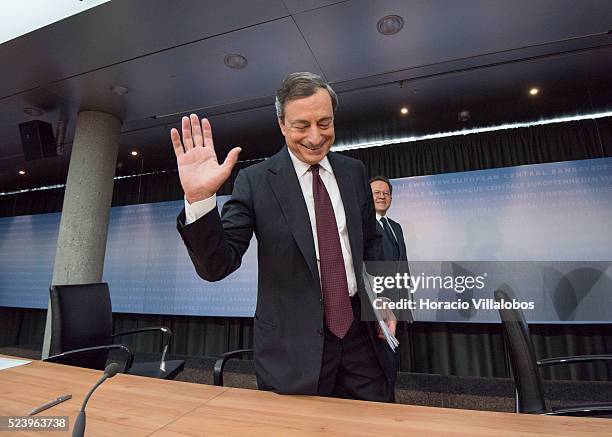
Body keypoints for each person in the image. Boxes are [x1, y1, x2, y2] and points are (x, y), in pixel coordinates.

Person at [171, 72, 396, 402]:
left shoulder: (354, 172)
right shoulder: (255, 181)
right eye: (302, 125)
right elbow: (217, 265)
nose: (316, 137)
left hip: (362, 339)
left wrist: (385, 297)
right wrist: (200, 200)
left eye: (325, 123)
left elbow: (372, 242)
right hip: (292, 350)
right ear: (281, 124)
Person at [370, 176, 408, 262]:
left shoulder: (396, 227)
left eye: (386, 193)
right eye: (377, 192)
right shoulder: (363, 225)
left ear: (391, 198)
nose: (382, 196)